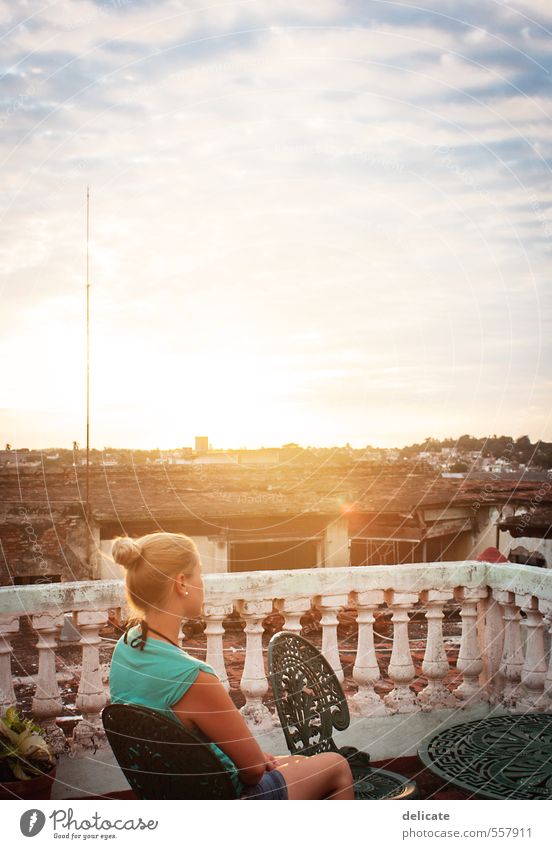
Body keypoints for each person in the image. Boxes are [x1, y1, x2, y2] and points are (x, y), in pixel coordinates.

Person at [109, 531, 355, 800]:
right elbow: (252, 772)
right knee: (337, 766)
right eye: (199, 574)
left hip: (174, 794)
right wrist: (255, 760)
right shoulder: (195, 679)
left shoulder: (125, 648)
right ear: (181, 583)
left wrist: (257, 758)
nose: (203, 583)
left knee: (292, 761)